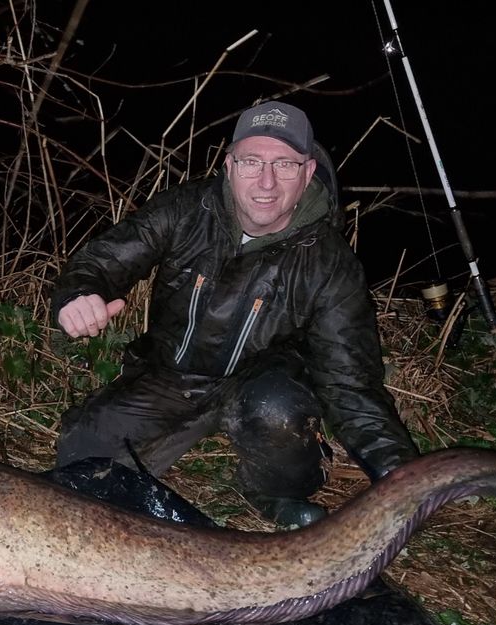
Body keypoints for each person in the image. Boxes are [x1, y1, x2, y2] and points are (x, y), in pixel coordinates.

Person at [51, 100, 418, 528]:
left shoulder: (331, 264)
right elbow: (102, 262)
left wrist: (403, 478)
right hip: (170, 377)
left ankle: (273, 491)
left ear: (308, 172)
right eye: (251, 162)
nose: (265, 181)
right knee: (80, 459)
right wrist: (80, 294)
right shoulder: (185, 209)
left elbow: (351, 384)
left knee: (278, 410)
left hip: (260, 386)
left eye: (284, 164)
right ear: (229, 165)